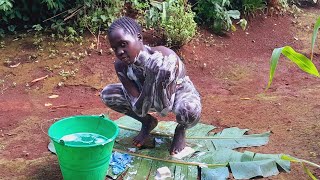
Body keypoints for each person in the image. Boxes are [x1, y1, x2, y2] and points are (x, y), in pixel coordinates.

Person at [100, 17, 201, 155]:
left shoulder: (166, 59)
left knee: (189, 111)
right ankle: (147, 123)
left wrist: (155, 79)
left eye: (123, 44)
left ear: (139, 38)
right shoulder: (121, 66)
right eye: (115, 48)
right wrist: (150, 79)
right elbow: (139, 109)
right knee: (108, 94)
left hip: (176, 94)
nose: (119, 52)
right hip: (145, 95)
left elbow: (164, 109)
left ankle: (181, 130)